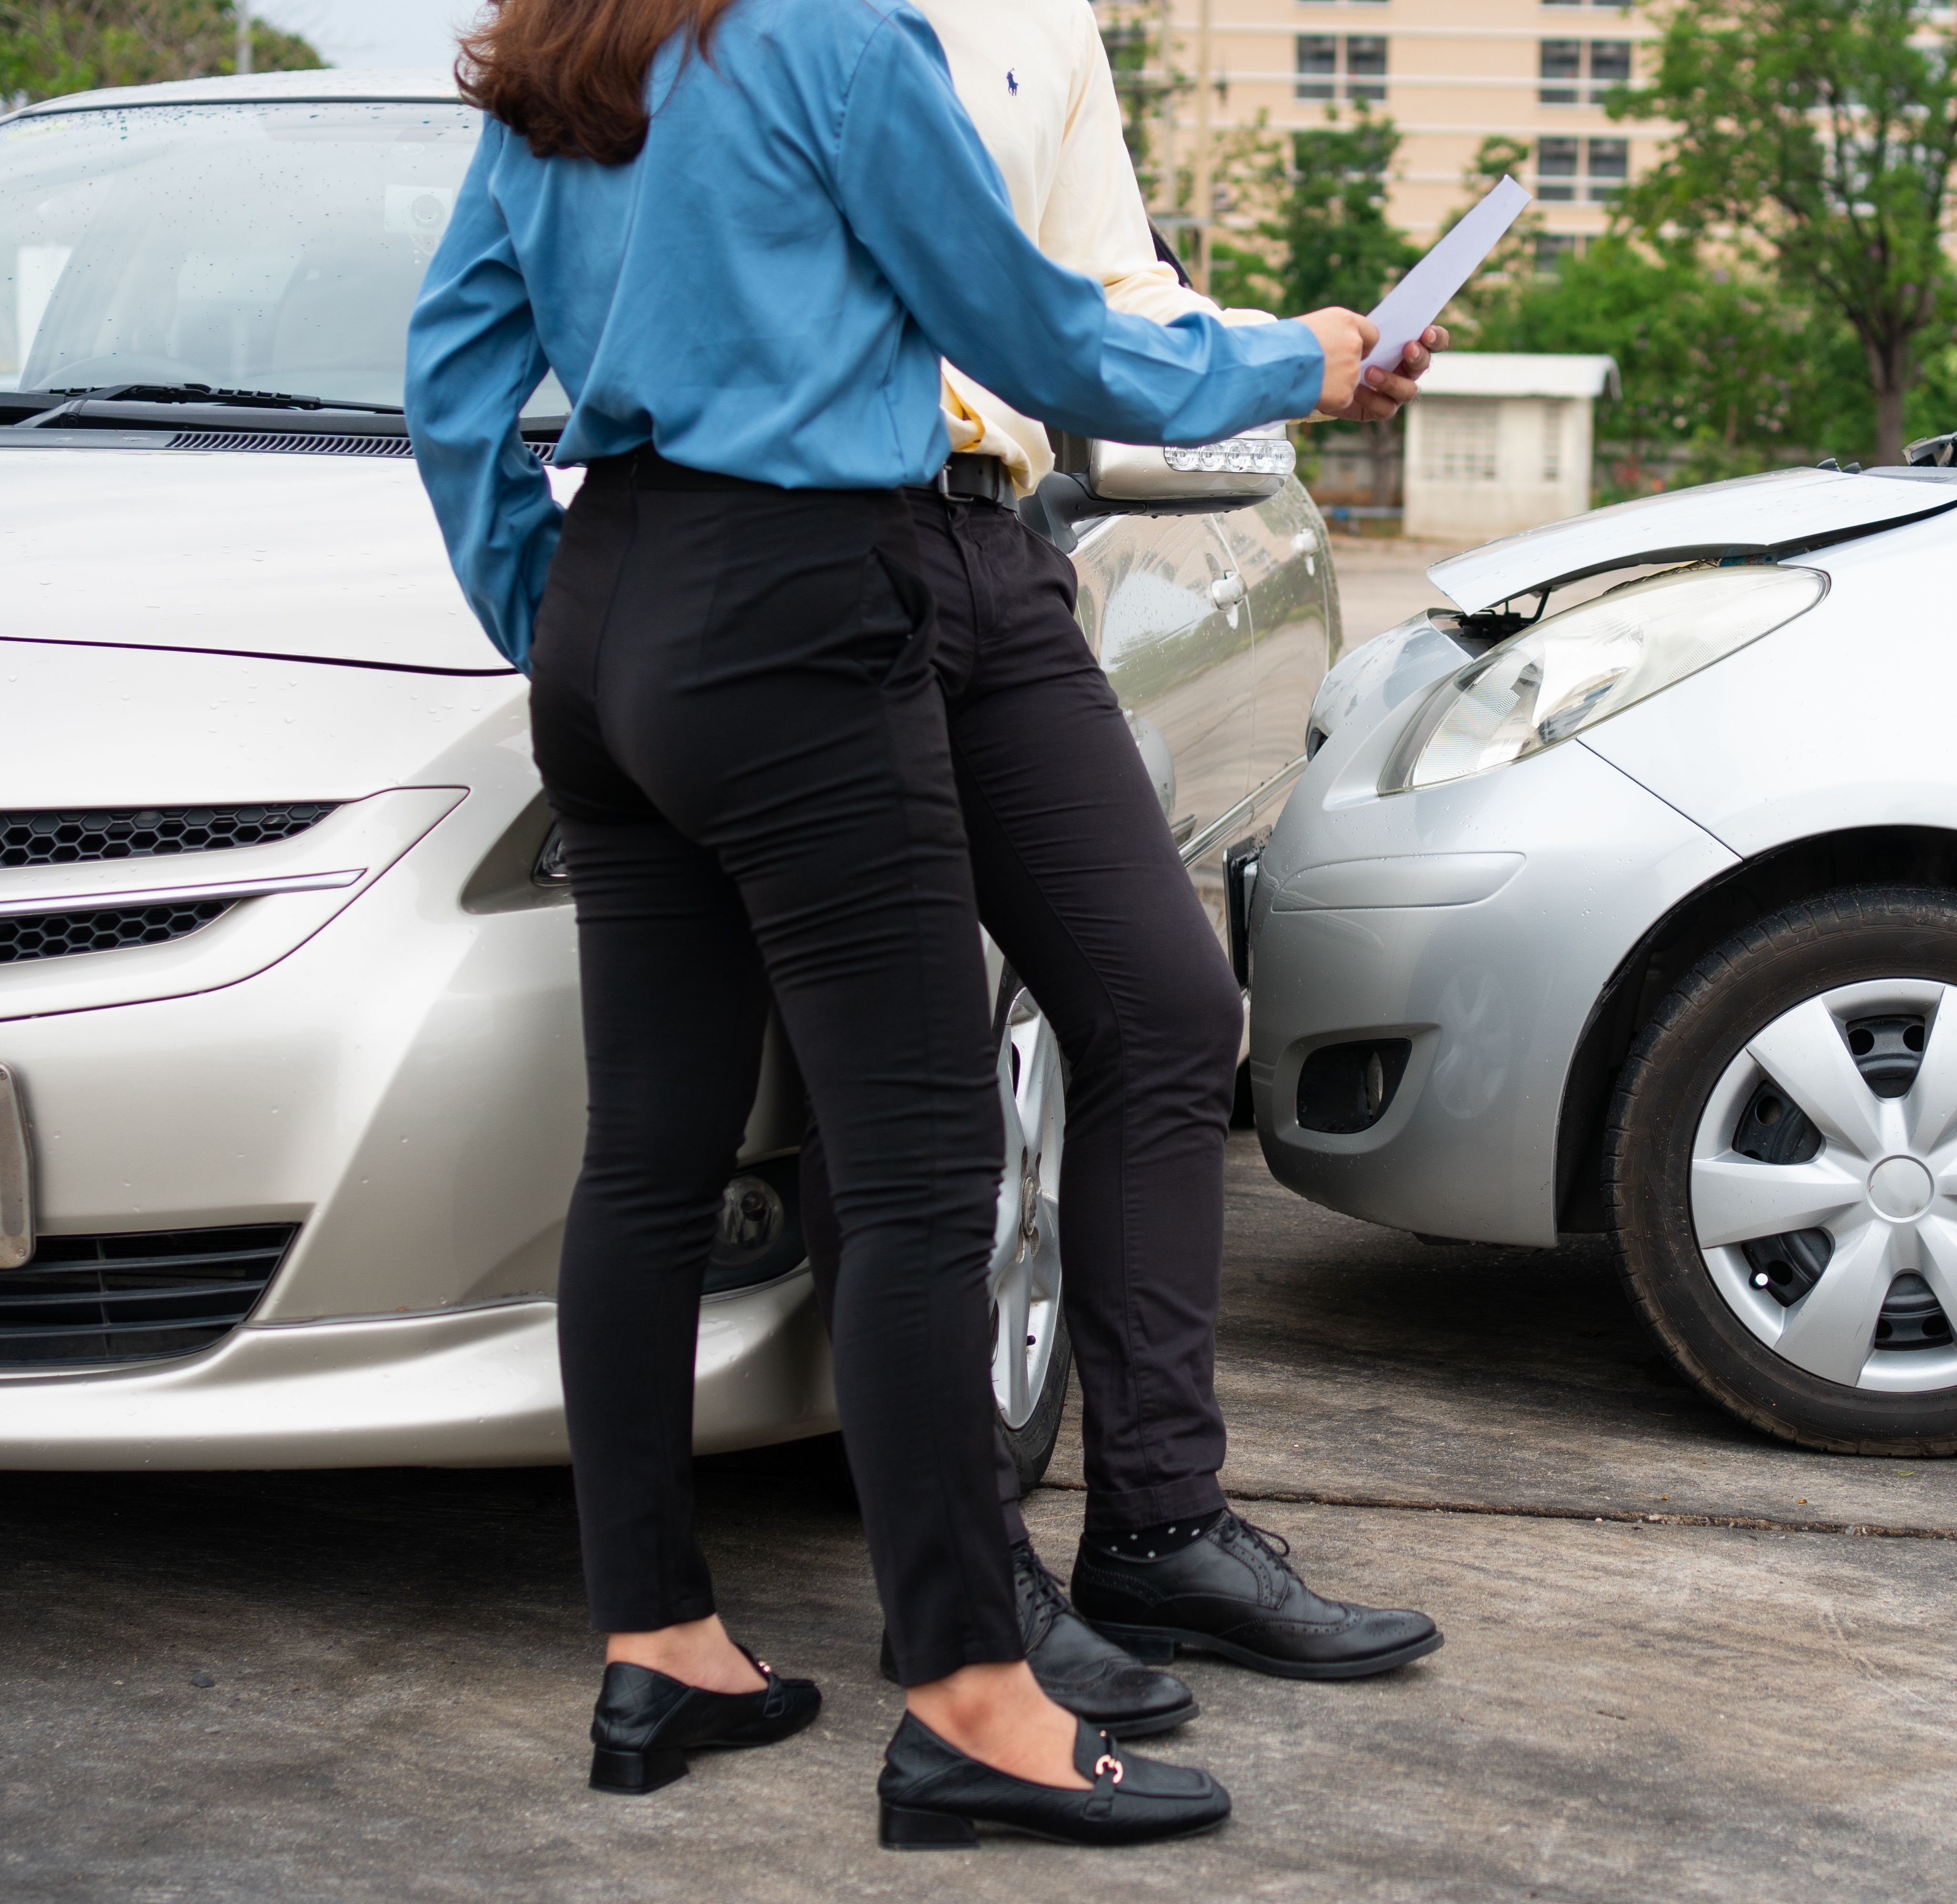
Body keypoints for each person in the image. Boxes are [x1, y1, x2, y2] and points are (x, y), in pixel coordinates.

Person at [405, 0, 1380, 1850]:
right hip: (799, 598)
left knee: (645, 1160)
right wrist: (1301, 360)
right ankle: (964, 1703)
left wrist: (572, 615)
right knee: (925, 1166)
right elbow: (1044, 335)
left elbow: (455, 374)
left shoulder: (558, 58)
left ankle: (663, 1644)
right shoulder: (843, 48)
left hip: (614, 608)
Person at [790, 0, 1448, 1740]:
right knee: (918, 1089)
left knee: (1164, 1005)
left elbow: (1105, 298)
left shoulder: (1039, 19)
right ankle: (963, 1581)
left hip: (994, 546)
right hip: (802, 557)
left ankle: (1156, 1523)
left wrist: (1296, 352)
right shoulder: (736, 26)